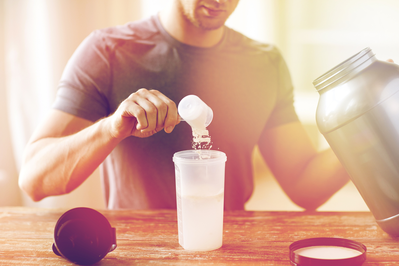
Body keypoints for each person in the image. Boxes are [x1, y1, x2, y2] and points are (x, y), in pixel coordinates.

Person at [19, 0, 349, 210]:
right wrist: (111, 127)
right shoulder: (108, 52)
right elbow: (34, 180)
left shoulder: (265, 63)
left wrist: (369, 128)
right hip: (138, 253)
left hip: (229, 250)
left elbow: (305, 186)